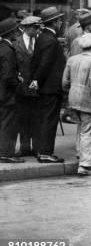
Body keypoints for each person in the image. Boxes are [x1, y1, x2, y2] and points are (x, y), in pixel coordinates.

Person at [30, 6, 67, 163]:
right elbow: (44, 64)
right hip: (51, 88)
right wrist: (36, 80)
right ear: (54, 22)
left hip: (46, 87)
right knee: (49, 120)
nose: (60, 23)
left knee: (45, 119)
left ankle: (42, 151)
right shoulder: (50, 40)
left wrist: (36, 81)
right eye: (59, 20)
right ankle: (45, 153)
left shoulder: (42, 37)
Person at [62, 33, 91, 176]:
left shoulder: (72, 59)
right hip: (87, 99)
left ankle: (80, 153)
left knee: (81, 126)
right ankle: (85, 165)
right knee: (87, 131)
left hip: (73, 98)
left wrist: (72, 91)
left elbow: (65, 82)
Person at [13, 15, 42, 157]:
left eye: (38, 27)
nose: (37, 30)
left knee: (37, 117)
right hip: (21, 87)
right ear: (25, 28)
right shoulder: (15, 43)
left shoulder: (40, 42)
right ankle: (24, 146)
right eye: (34, 28)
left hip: (37, 86)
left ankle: (37, 147)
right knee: (23, 117)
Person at [0, 18, 25, 163]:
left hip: (2, 93)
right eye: (16, 30)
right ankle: (6, 153)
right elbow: (8, 76)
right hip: (8, 95)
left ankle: (4, 152)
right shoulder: (8, 51)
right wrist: (18, 83)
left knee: (3, 124)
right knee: (9, 125)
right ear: (11, 33)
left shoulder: (2, 48)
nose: (18, 32)